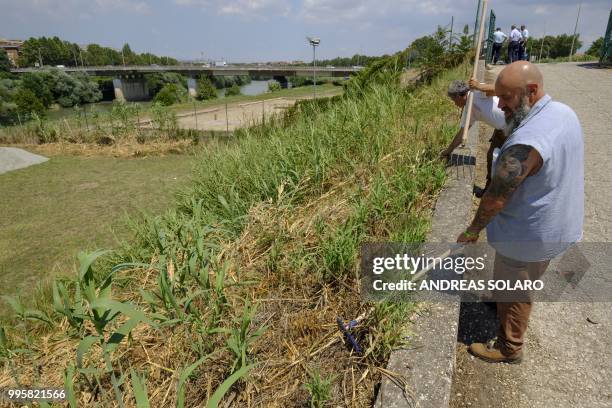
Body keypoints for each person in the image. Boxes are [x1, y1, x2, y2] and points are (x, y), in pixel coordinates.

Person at [457, 61, 584, 364]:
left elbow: (495, 199)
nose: (501, 106)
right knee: (514, 282)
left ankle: (509, 347)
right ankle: (502, 301)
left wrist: (473, 230)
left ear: (532, 91)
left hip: (530, 235)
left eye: (507, 98)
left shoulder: (526, 142)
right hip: (558, 220)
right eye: (498, 97)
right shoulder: (563, 113)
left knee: (517, 288)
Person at [440, 80, 506, 197]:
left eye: (454, 100)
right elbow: (461, 134)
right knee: (491, 157)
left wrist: (479, 86)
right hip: (500, 130)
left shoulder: (476, 92)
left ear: (460, 96)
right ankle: (488, 191)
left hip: (514, 126)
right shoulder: (468, 110)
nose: (454, 103)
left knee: (509, 162)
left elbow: (498, 89)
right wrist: (448, 151)